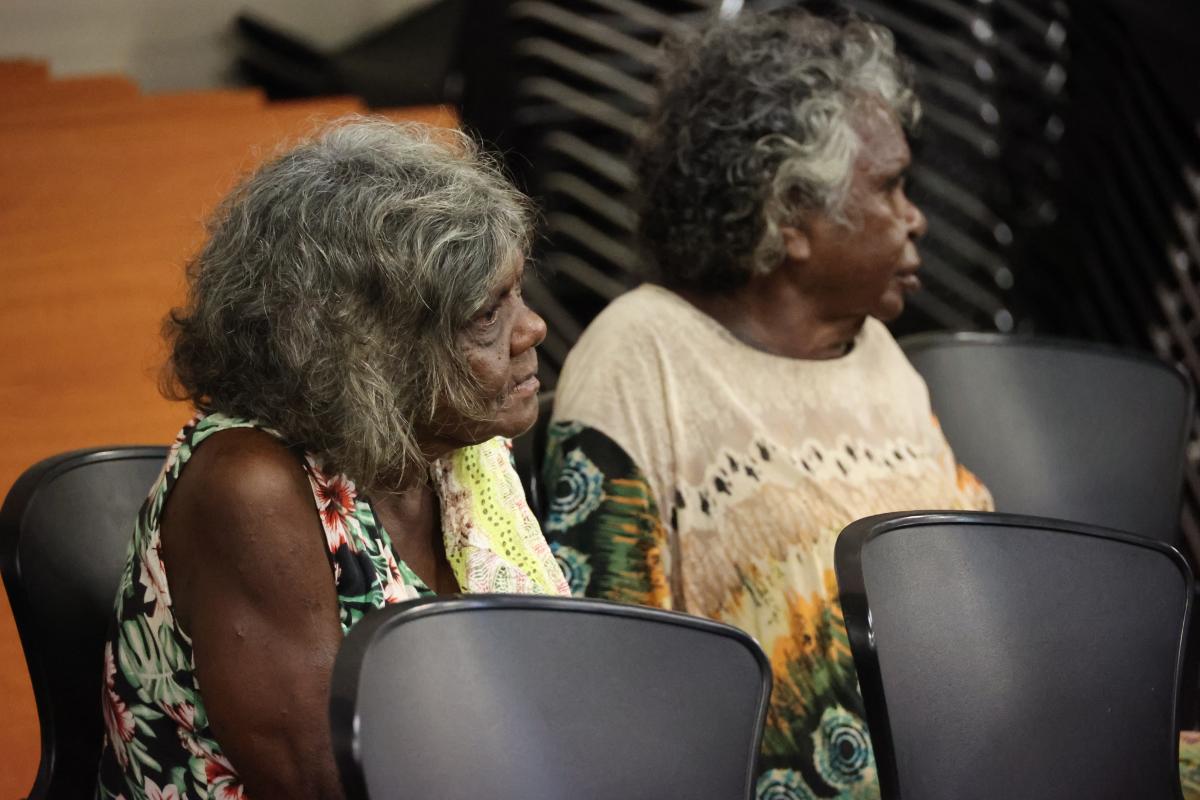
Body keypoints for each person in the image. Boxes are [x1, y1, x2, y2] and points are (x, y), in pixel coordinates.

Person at [540, 11, 991, 799]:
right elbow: (604, 678)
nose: (916, 216)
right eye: (889, 187)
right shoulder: (640, 357)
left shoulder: (878, 354)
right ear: (788, 218)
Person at [97, 118, 568, 800]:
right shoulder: (249, 489)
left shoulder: (453, 450)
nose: (532, 328)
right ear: (371, 353)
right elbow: (329, 785)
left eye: (517, 292)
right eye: (485, 314)